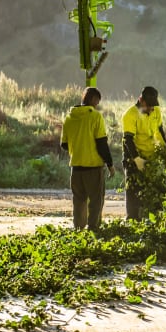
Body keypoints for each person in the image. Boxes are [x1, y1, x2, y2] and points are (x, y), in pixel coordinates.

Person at [60, 87, 116, 231]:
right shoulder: (95, 117)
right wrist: (110, 164)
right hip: (93, 168)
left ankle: (79, 229)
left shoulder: (69, 118)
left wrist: (78, 146)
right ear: (93, 100)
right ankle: (93, 229)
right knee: (96, 201)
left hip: (76, 169)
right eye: (97, 101)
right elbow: (102, 143)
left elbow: (64, 145)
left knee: (79, 201)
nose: (97, 105)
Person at [121, 86, 166, 220]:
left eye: (153, 106)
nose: (152, 108)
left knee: (154, 189)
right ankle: (132, 220)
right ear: (141, 100)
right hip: (133, 156)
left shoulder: (156, 111)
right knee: (133, 190)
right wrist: (137, 159)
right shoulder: (130, 115)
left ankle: (152, 219)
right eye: (149, 105)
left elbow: (159, 131)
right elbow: (128, 139)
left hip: (151, 156)